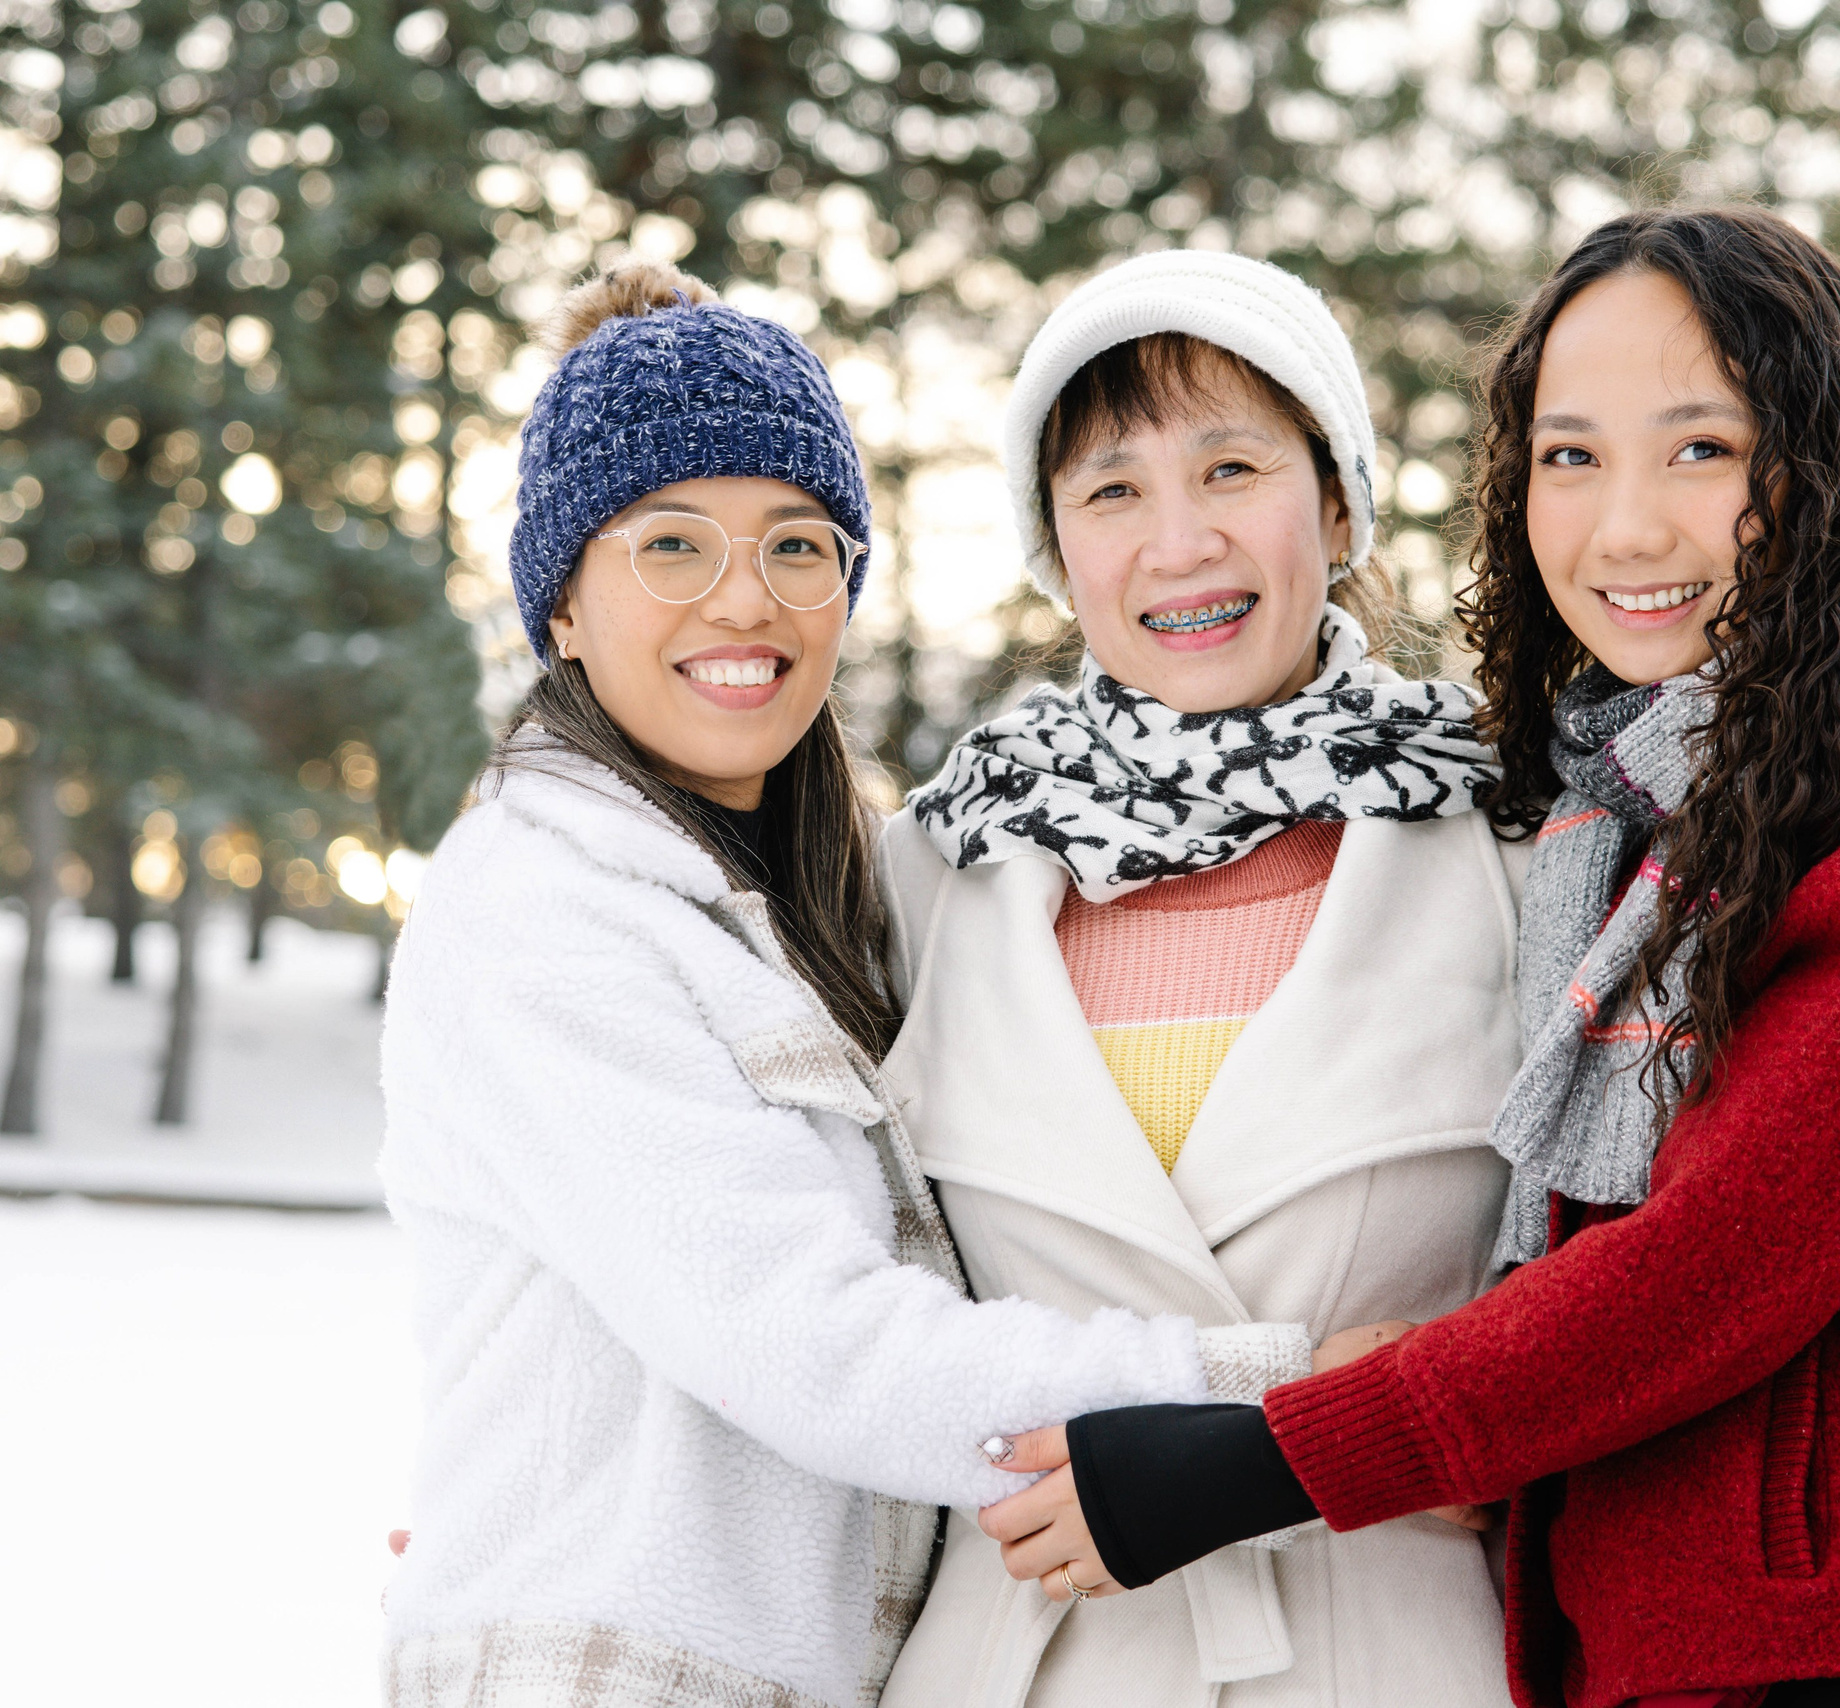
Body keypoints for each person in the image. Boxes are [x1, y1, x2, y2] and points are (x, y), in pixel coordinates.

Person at [978, 206, 1840, 1708]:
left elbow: (1716, 1266)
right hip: (1678, 1649)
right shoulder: (1637, 823)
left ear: (1832, 465)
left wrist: (1261, 1457)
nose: (1626, 527)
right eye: (1570, 455)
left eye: (1700, 448)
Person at [374, 265, 1301, 1708]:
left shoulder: (838, 902)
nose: (745, 599)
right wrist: (1289, 1402)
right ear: (561, 606)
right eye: (670, 545)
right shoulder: (541, 909)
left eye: (798, 545)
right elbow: (812, 1344)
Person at [874, 250, 1526, 1708]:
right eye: (1112, 489)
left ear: (1339, 506)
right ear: (1056, 547)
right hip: (1021, 1665)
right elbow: (800, 1296)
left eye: (1232, 467)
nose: (1179, 542)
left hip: (1394, 1661)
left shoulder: (1514, 847)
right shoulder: (929, 876)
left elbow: (1660, 1298)